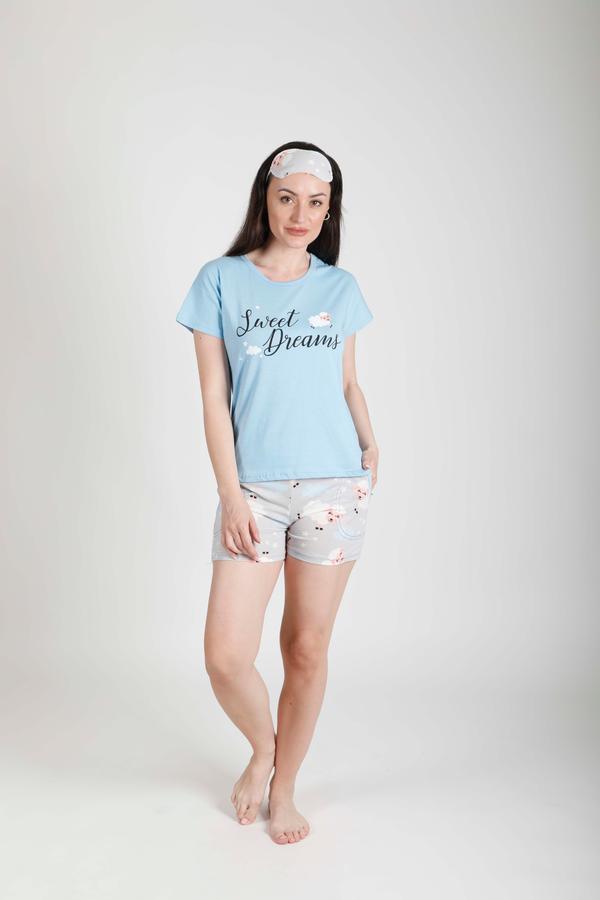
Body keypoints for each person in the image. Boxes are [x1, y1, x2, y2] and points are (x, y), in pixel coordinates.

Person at [176, 142, 379, 844]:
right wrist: (230, 495)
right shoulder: (220, 280)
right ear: (265, 197)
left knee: (306, 648)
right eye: (288, 197)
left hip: (335, 485)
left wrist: (370, 440)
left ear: (330, 211)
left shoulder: (340, 288)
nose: (301, 214)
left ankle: (285, 786)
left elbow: (347, 381)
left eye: (317, 203)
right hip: (254, 493)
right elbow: (213, 397)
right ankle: (263, 751)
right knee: (226, 655)